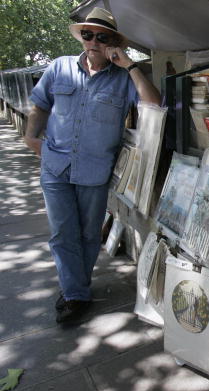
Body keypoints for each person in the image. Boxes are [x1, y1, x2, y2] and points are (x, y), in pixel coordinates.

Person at [24, 7, 160, 323]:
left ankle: (77, 288)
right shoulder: (59, 68)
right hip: (55, 165)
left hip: (94, 171)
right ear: (81, 38)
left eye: (102, 37)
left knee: (87, 235)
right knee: (62, 233)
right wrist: (32, 140)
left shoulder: (122, 78)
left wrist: (130, 65)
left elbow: (154, 104)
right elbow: (40, 105)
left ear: (113, 42)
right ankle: (75, 294)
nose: (93, 42)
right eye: (88, 35)